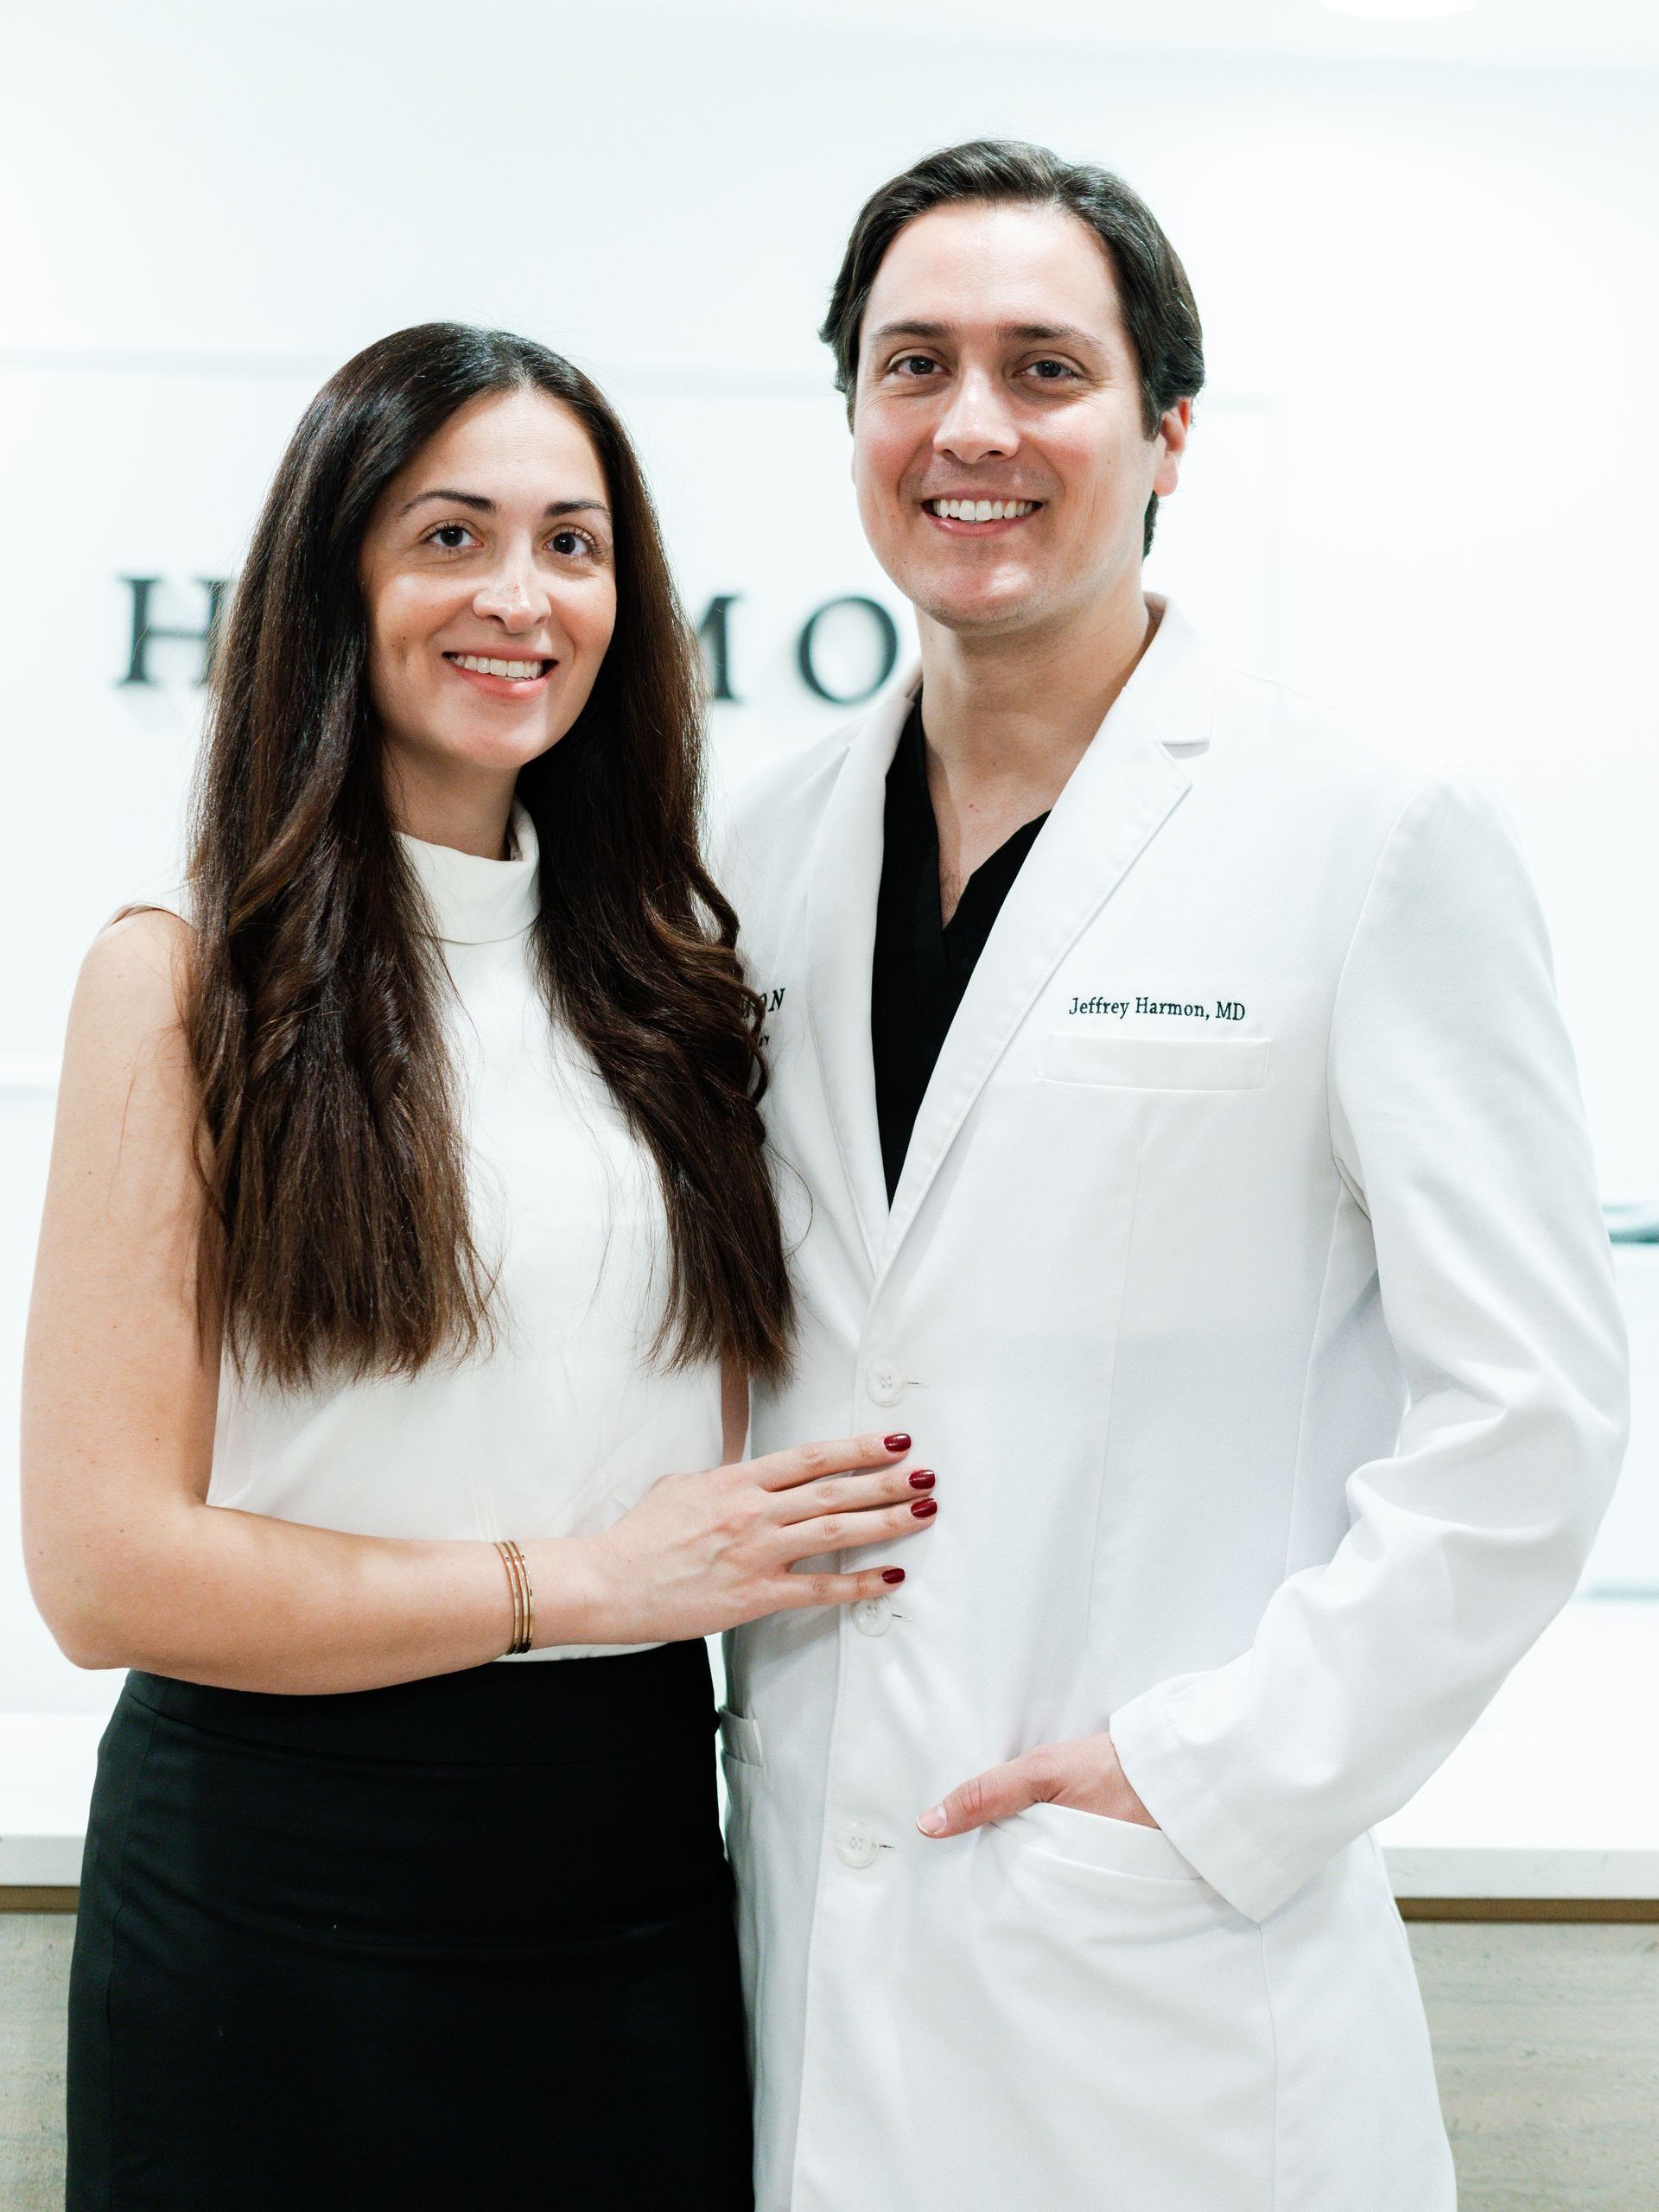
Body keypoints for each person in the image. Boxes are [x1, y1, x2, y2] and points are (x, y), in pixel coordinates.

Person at [719, 141, 1629, 2212]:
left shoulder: (1368, 838)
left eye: (1047, 369)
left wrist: (1214, 1775)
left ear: (1168, 434)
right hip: (815, 1933)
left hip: (1165, 1970)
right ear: (852, 418)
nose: (972, 425)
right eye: (911, 363)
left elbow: (1537, 1418)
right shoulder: (752, 852)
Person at [21, 321, 937, 2212]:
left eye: (574, 543)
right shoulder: (187, 978)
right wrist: (574, 1581)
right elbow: (105, 1566)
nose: (521, 595)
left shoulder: (678, 996)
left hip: (628, 1887)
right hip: (272, 1897)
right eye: (451, 534)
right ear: (335, 577)